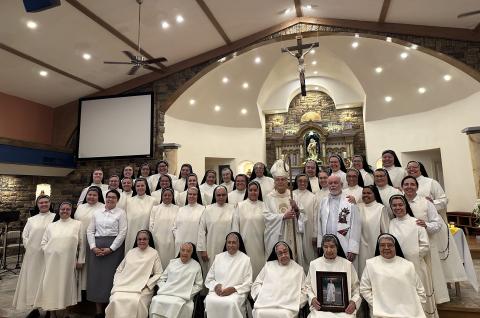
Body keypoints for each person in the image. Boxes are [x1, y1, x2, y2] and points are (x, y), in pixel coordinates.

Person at [402, 176, 467, 303]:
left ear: (417, 187)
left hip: (427, 245)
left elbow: (437, 224)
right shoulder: (399, 202)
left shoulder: (426, 203)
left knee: (429, 273)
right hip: (406, 246)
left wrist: (426, 225)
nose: (409, 187)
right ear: (402, 187)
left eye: (412, 184)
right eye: (406, 184)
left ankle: (432, 301)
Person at [388, 195, 437, 317]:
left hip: (416, 266)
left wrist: (410, 256)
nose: (397, 207)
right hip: (396, 268)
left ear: (406, 206)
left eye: (400, 204)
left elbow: (425, 246)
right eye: (394, 205)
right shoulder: (390, 223)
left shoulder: (416, 223)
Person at [34, 202, 84, 318]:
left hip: (68, 263)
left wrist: (80, 259)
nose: (65, 211)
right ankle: (52, 312)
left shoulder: (77, 224)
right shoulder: (51, 226)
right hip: (52, 262)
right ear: (59, 210)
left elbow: (82, 244)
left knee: (66, 287)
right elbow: (43, 243)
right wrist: (50, 251)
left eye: (68, 209)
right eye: (63, 209)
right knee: (50, 286)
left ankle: (66, 313)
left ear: (71, 211)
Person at [360, 234, 426, 318]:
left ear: (395, 247)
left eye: (390, 245)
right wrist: (378, 304)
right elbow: (364, 289)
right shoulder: (370, 264)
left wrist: (416, 307)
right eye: (382, 245)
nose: (386, 248)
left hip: (409, 313)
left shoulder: (408, 265)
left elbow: (420, 290)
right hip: (381, 313)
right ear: (379, 247)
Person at [13, 195, 55, 317]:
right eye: (41, 202)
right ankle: (35, 308)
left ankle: (48, 309)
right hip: (33, 256)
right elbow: (25, 236)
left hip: (48, 255)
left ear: (50, 203)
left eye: (46, 202)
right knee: (33, 281)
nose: (43, 204)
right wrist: (30, 247)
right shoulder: (31, 220)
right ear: (37, 205)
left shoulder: (55, 217)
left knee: (47, 281)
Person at [86, 189, 127, 317]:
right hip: (96, 248)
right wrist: (93, 247)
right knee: (96, 279)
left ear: (117, 200)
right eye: (108, 197)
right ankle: (98, 312)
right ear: (105, 198)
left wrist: (111, 248)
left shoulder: (121, 213)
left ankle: (110, 311)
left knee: (111, 279)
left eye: (113, 197)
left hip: (114, 249)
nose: (110, 199)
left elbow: (122, 232)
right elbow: (90, 231)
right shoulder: (96, 213)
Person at [105, 230, 163, 318]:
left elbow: (159, 273)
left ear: (148, 240)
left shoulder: (154, 253)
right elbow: (119, 270)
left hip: (143, 288)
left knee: (135, 301)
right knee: (115, 299)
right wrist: (117, 282)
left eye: (144, 239)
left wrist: (147, 284)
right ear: (136, 240)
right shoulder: (131, 252)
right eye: (139, 239)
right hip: (124, 285)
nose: (142, 241)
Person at [306, 234, 361, 317]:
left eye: (332, 246)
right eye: (325, 247)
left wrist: (354, 302)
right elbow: (307, 287)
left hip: (344, 310)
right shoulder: (314, 264)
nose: (329, 250)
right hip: (320, 309)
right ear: (322, 248)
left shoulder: (347, 265)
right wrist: (312, 298)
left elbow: (357, 288)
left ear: (337, 247)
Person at [264, 159, 306, 266]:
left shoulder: (293, 195)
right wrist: (283, 216)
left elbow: (303, 216)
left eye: (283, 179)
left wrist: (296, 209)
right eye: (278, 180)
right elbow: (266, 217)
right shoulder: (269, 197)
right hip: (277, 235)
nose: (281, 182)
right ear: (274, 182)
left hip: (293, 234)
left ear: (287, 181)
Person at [252, 242, 307, 318]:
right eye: (280, 253)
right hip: (266, 305)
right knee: (259, 312)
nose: (283, 255)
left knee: (285, 315)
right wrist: (261, 295)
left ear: (289, 252)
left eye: (285, 252)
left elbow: (305, 290)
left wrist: (297, 303)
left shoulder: (298, 269)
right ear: (276, 255)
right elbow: (256, 283)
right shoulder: (268, 266)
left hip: (288, 308)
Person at [204, 232, 252, 318]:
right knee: (210, 300)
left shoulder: (245, 259)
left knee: (231, 303)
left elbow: (248, 284)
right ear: (226, 244)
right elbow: (209, 279)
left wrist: (233, 289)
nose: (231, 245)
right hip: (218, 292)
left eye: (234, 242)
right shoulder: (218, 257)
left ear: (238, 244)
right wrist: (216, 286)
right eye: (229, 242)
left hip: (236, 293)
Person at [317, 175, 361, 268]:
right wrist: (319, 244)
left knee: (345, 269)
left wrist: (353, 248)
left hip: (345, 242)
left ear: (341, 184)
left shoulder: (349, 201)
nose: (333, 185)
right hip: (327, 244)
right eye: (330, 183)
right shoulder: (323, 202)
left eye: (335, 183)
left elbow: (356, 226)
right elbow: (319, 224)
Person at [149, 242, 203, 318]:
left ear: (192, 253)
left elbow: (199, 285)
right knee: (156, 300)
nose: (185, 253)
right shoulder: (172, 262)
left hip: (183, 296)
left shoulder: (196, 265)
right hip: (167, 293)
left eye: (188, 251)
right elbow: (161, 279)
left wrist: (187, 293)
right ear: (180, 251)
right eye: (183, 250)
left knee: (176, 304)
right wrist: (165, 289)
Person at [74, 186, 105, 297]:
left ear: (99, 196)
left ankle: (91, 290)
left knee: (91, 267)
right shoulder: (80, 207)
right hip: (79, 240)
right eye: (89, 195)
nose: (91, 197)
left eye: (94, 195)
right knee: (80, 265)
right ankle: (80, 291)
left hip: (95, 241)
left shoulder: (103, 207)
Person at [232, 181, 266, 279]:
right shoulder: (240, 205)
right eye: (251, 190)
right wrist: (236, 243)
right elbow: (235, 225)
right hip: (244, 243)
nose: (253, 192)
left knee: (259, 267)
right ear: (247, 191)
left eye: (255, 190)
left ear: (259, 192)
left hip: (260, 244)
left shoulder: (264, 205)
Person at [197, 185, 235, 271]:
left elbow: (235, 230)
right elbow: (201, 230)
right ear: (215, 196)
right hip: (211, 247)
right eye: (218, 195)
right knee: (212, 270)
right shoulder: (208, 209)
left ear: (226, 196)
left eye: (223, 195)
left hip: (228, 246)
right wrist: (203, 250)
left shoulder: (232, 208)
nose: (221, 197)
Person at [357, 185, 389, 278]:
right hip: (360, 246)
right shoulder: (358, 207)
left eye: (369, 193)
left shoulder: (380, 208)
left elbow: (385, 231)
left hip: (375, 245)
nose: (366, 195)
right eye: (364, 193)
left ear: (375, 195)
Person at [150, 188, 179, 269]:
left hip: (171, 240)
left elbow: (177, 224)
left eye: (169, 195)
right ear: (161, 196)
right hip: (157, 240)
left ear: (172, 197)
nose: (167, 197)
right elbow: (151, 224)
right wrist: (154, 237)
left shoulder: (177, 208)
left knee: (170, 260)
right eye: (165, 195)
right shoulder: (155, 208)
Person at [125, 178, 156, 253]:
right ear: (135, 187)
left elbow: (154, 219)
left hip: (146, 232)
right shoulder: (129, 201)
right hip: (131, 233)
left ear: (146, 187)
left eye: (142, 185)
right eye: (138, 186)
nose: (140, 188)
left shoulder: (153, 200)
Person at [293, 173, 317, 269]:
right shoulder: (292, 194)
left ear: (308, 183)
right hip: (294, 230)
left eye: (305, 181)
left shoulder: (312, 197)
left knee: (309, 254)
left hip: (309, 229)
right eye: (300, 181)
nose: (302, 183)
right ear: (296, 182)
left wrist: (315, 234)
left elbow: (315, 216)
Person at [173, 187, 206, 255]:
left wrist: (201, 247)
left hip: (195, 244)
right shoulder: (181, 209)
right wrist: (179, 237)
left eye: (194, 194)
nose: (192, 196)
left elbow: (203, 230)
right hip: (180, 244)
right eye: (190, 194)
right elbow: (174, 227)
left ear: (197, 196)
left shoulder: (203, 209)